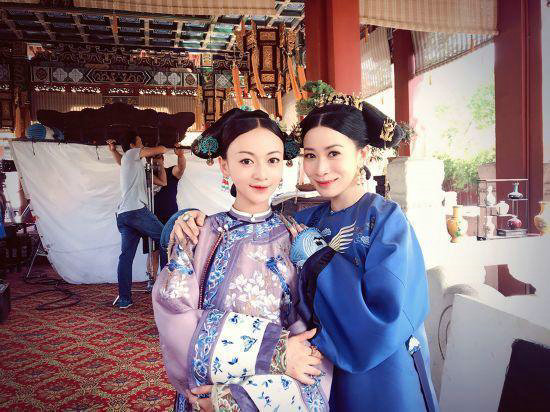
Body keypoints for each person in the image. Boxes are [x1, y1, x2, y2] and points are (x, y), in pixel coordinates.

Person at [169, 96, 439, 411]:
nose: (320, 168)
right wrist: (185, 219)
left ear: (362, 154)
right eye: (310, 155)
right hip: (313, 371)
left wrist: (319, 259)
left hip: (378, 373)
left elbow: (388, 317)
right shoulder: (304, 221)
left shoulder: (386, 220)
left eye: (334, 153)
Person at [152, 108, 332, 412]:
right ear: (224, 165)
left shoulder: (299, 239)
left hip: (272, 391)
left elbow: (315, 331)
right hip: (209, 387)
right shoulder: (199, 234)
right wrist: (274, 349)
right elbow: (174, 314)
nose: (261, 174)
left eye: (272, 160)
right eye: (247, 161)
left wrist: (240, 396)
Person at [108, 131, 169, 309]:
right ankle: (166, 289)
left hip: (124, 215)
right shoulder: (132, 154)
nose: (143, 145)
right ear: (133, 145)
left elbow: (162, 183)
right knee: (167, 239)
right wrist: (158, 150)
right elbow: (162, 149)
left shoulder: (129, 161)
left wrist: (113, 150)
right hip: (136, 211)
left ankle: (124, 299)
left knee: (125, 257)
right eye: (140, 142)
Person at [150, 143, 186, 278]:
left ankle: (169, 279)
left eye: (159, 157)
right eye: (153, 157)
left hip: (169, 217)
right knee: (153, 251)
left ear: (163, 159)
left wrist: (180, 156)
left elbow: (181, 168)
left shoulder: (170, 172)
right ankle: (153, 281)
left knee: (170, 248)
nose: (156, 160)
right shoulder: (147, 176)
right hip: (150, 217)